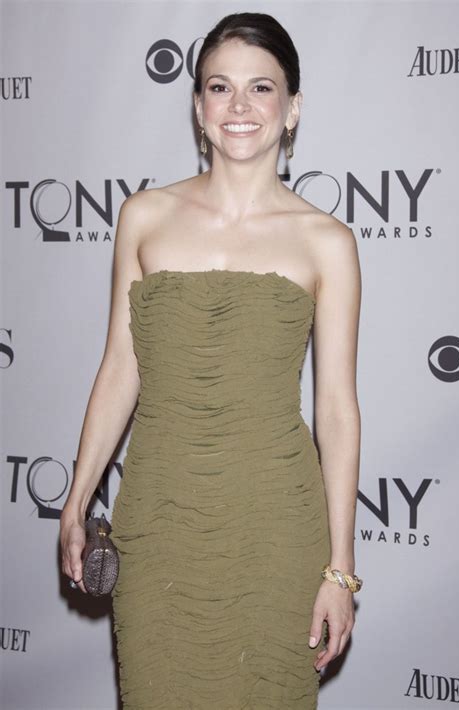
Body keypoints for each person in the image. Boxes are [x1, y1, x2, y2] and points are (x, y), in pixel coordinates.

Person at [60, 11, 362, 709]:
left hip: (276, 527)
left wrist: (339, 570)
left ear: (293, 109)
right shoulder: (144, 217)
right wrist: (78, 497)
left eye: (262, 88)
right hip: (159, 523)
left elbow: (337, 411)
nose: (239, 107)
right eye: (219, 88)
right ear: (198, 108)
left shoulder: (327, 242)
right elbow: (119, 369)